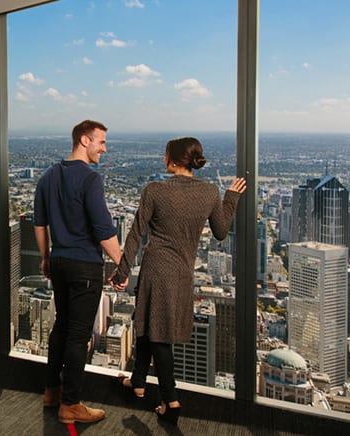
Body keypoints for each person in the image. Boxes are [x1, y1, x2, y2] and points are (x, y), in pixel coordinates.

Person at [109, 137, 246, 426]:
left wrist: (121, 273)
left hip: (156, 268)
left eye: (165, 154)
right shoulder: (209, 192)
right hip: (183, 271)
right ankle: (138, 383)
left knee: (157, 332)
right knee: (149, 322)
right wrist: (230, 198)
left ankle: (171, 401)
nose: (162, 158)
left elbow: (135, 235)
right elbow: (221, 232)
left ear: (173, 159)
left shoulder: (155, 190)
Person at [34, 119, 123, 424]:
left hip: (59, 262)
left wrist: (46, 258)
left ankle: (51, 391)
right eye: (101, 142)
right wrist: (124, 265)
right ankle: (71, 404)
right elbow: (103, 230)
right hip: (85, 264)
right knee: (77, 335)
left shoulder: (47, 177)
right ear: (85, 140)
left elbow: (40, 224)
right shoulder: (90, 179)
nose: (104, 149)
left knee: (61, 327)